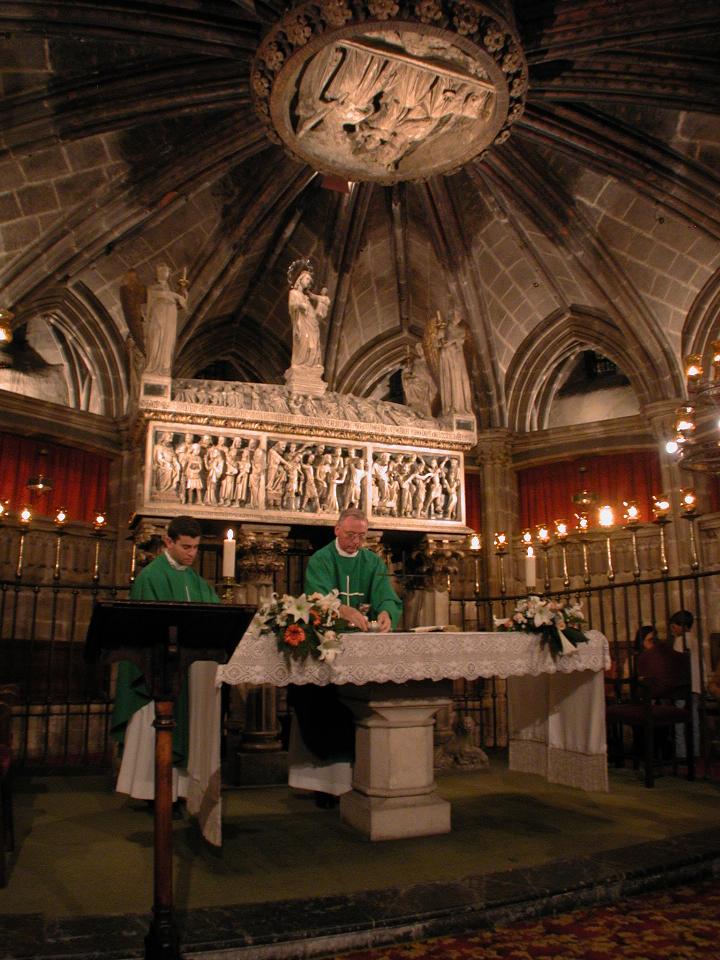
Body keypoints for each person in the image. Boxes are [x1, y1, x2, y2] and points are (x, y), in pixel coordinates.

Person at [111, 516, 222, 839]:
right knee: (154, 728)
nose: (192, 554)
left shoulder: (195, 580)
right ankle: (153, 792)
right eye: (186, 547)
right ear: (168, 543)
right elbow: (147, 626)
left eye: (196, 548)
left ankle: (176, 791)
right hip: (158, 671)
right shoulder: (151, 576)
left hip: (187, 669)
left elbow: (214, 614)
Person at [287, 508, 402, 807]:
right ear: (337, 530)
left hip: (362, 652)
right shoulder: (322, 559)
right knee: (326, 708)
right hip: (328, 648)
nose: (356, 541)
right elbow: (317, 597)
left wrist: (387, 610)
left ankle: (359, 780)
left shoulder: (372, 561)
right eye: (351, 534)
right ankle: (324, 786)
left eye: (362, 536)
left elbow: (384, 593)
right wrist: (342, 610)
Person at [143, 263, 187, 377]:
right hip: (157, 318)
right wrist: (175, 296)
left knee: (167, 343)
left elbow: (180, 305)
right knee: (155, 340)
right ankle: (152, 366)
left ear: (169, 274)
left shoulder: (170, 290)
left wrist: (182, 295)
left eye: (166, 271)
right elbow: (156, 294)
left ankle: (164, 368)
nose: (163, 273)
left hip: (169, 320)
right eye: (161, 271)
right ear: (157, 274)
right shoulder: (153, 288)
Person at [670, 609, 700, 758]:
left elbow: (676, 665)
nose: (673, 631)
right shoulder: (695, 640)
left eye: (674, 627)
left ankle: (681, 754)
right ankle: (695, 752)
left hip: (682, 687)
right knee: (694, 721)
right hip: (696, 686)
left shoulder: (680, 641)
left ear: (680, 626)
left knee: (680, 723)